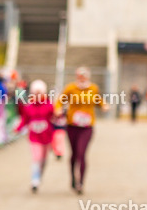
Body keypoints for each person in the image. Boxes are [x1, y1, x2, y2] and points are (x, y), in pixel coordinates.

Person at [58, 67, 105, 195]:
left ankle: (81, 183)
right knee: (74, 154)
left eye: (84, 77)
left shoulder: (93, 89)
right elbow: (60, 101)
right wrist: (58, 109)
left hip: (87, 127)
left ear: (88, 77)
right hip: (72, 126)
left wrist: (104, 105)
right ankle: (73, 177)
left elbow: (98, 101)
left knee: (81, 153)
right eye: (80, 76)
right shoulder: (70, 88)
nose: (82, 79)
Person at [17, 80, 56, 193]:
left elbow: (54, 118)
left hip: (46, 136)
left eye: (40, 93)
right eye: (35, 93)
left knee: (43, 160)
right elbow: (25, 119)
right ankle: (34, 180)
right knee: (36, 158)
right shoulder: (28, 107)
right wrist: (18, 128)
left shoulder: (49, 105)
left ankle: (39, 176)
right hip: (34, 137)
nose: (38, 96)